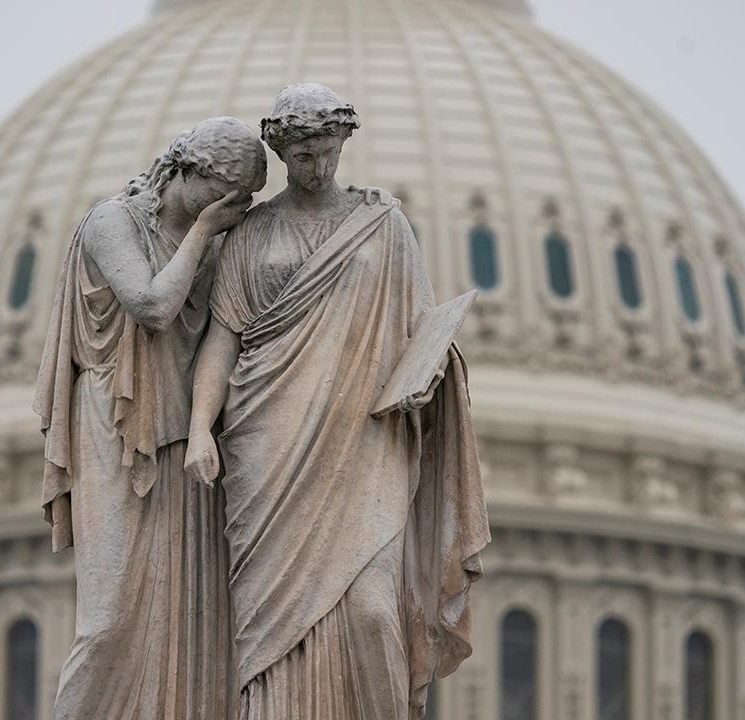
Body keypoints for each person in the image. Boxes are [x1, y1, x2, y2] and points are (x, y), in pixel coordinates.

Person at [186, 84, 491, 720]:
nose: (317, 166)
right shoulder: (252, 232)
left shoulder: (383, 225)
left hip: (364, 438)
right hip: (267, 440)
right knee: (268, 625)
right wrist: (197, 431)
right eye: (303, 155)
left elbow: (419, 332)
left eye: (327, 151)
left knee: (372, 609)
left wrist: (429, 374)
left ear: (343, 143)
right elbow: (222, 337)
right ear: (281, 153)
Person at [33, 116, 266, 719]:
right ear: (186, 170)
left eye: (239, 201)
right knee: (108, 620)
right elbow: (153, 306)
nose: (229, 210)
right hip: (115, 422)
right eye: (222, 195)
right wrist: (206, 230)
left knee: (191, 616)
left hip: (188, 436)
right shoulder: (113, 222)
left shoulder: (221, 243)